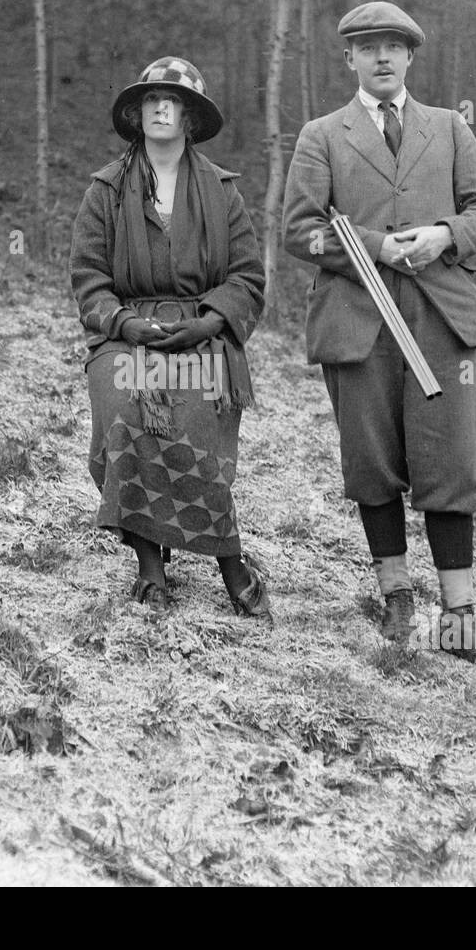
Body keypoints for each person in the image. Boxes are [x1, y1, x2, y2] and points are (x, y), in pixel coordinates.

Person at [282, 2, 476, 673]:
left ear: (410, 57)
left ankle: (459, 614)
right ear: (350, 59)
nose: (382, 57)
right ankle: (395, 595)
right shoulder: (321, 136)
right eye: (368, 47)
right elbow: (300, 231)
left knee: (452, 460)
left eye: (393, 46)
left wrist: (445, 234)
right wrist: (376, 247)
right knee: (372, 458)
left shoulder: (449, 127)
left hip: (439, 318)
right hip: (358, 321)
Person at [71, 57, 269, 618]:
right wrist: (122, 323)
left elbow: (248, 278)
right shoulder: (106, 190)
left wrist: (210, 321)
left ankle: (229, 558)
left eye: (174, 101)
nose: (161, 108)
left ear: (190, 118)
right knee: (124, 409)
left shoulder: (222, 192)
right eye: (152, 100)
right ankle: (149, 566)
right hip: (127, 336)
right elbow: (89, 279)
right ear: (137, 115)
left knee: (194, 425)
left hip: (200, 335)